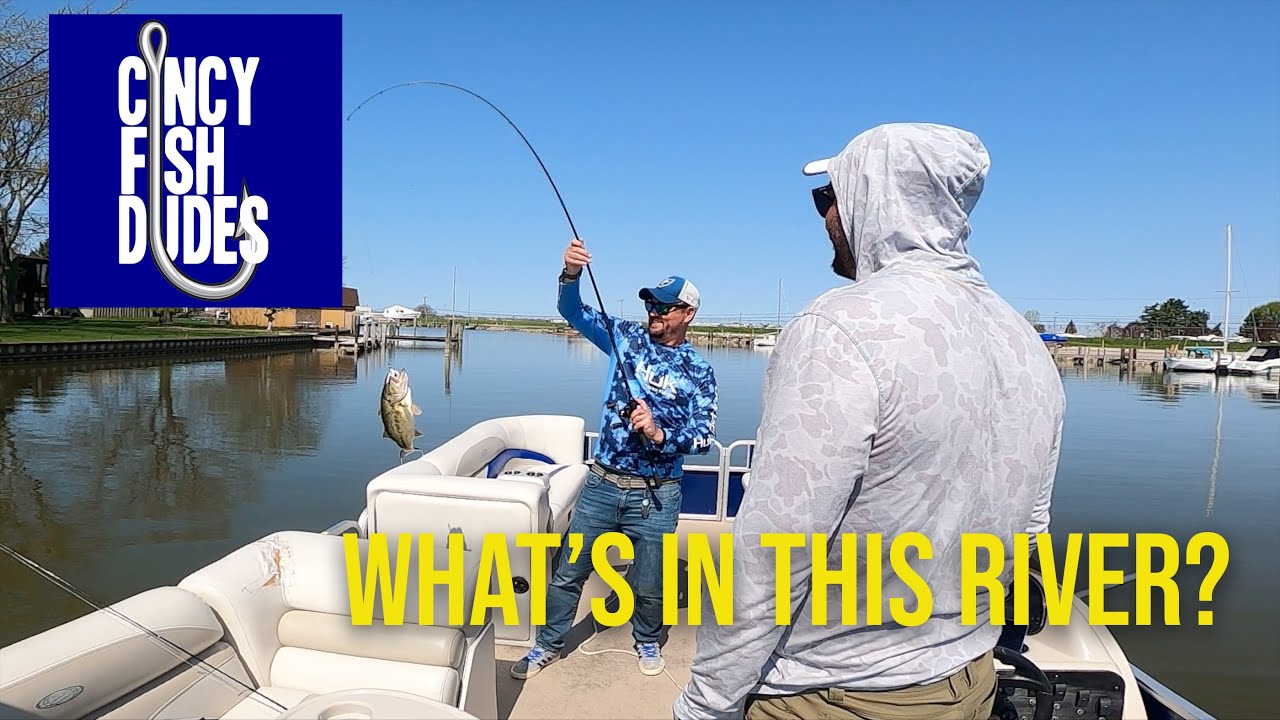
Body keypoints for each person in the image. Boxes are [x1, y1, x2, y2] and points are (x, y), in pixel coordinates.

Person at [673, 123, 1066, 720]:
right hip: (969, 683)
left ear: (873, 199)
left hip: (835, 695)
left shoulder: (839, 327)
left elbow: (773, 552)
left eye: (830, 196)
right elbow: (1029, 534)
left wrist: (707, 703)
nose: (824, 213)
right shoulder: (1026, 345)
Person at [511, 237, 719, 680]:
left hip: (658, 495)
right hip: (603, 482)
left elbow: (704, 437)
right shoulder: (624, 337)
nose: (654, 314)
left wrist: (660, 433)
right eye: (651, 305)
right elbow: (573, 311)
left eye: (664, 308)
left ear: (687, 314)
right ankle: (547, 644)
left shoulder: (700, 370)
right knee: (569, 572)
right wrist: (570, 274)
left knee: (649, 582)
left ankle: (646, 639)